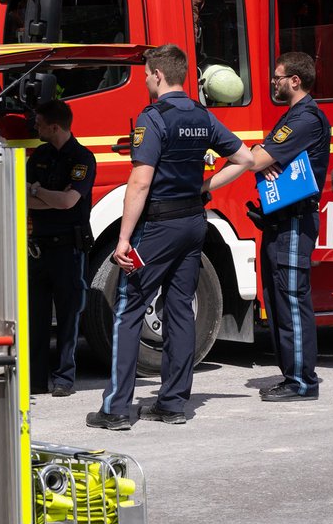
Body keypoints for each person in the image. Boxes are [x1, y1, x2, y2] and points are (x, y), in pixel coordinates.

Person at [88, 44, 245, 430]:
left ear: (157, 75)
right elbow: (245, 159)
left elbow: (139, 183)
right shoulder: (202, 115)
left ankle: (117, 409)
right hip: (194, 223)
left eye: (145, 75)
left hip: (157, 228)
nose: (144, 80)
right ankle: (173, 403)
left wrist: (123, 238)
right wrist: (207, 186)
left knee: (127, 311)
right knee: (179, 310)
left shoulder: (152, 119)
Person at [208, 51, 331, 402]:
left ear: (295, 81)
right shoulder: (292, 116)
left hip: (294, 222)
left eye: (278, 77)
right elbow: (260, 159)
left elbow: (257, 158)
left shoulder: (306, 119)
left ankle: (303, 382)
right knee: (278, 301)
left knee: (291, 300)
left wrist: (261, 161)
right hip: (281, 221)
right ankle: (292, 375)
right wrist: (261, 161)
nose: (273, 83)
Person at [26, 100, 96, 398]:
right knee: (36, 318)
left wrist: (38, 192)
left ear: (54, 127)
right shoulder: (38, 156)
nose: (35, 128)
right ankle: (37, 380)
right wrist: (47, 198)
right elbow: (22, 197)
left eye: (39, 123)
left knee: (69, 317)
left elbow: (69, 202)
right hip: (38, 249)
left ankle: (64, 378)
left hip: (69, 250)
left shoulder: (82, 158)